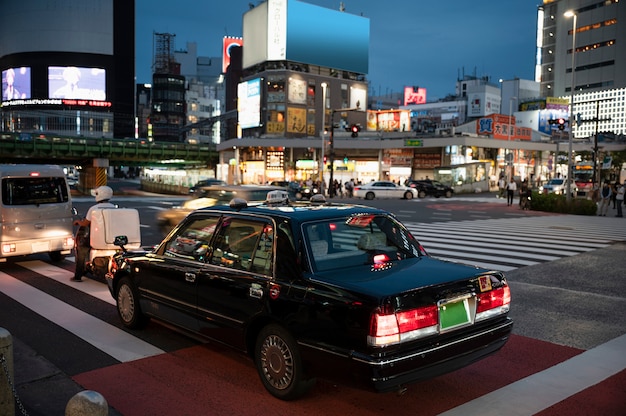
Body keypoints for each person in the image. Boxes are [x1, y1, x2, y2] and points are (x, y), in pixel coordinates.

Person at [72, 186, 115, 281]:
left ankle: (78, 276)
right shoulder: (113, 207)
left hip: (96, 239)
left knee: (82, 250)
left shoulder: (94, 209)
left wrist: (78, 222)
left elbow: (85, 223)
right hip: (111, 238)